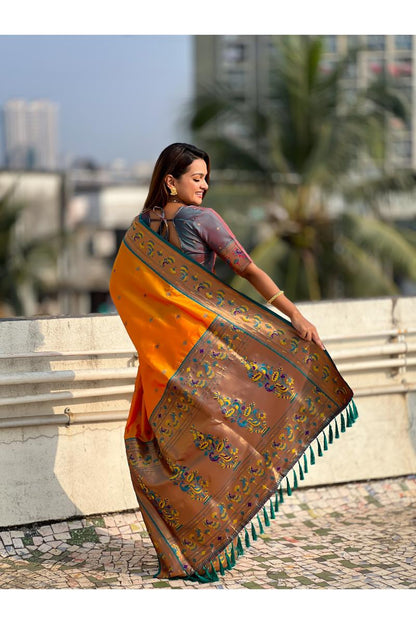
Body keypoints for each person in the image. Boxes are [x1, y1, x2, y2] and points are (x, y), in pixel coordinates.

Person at [109, 142, 355, 583]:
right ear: (171, 180)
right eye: (197, 177)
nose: (205, 185)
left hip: (161, 367)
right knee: (215, 448)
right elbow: (248, 270)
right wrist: (293, 314)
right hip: (203, 360)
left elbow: (121, 289)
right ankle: (198, 549)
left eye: (206, 178)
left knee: (171, 454)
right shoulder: (202, 220)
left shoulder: (138, 232)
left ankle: (186, 552)